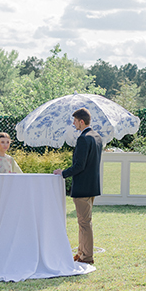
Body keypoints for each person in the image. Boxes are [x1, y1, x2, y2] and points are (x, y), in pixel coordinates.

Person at [54, 108, 103, 265]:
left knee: (84, 223)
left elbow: (79, 166)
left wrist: (62, 173)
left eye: (74, 121)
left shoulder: (83, 139)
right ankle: (81, 253)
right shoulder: (97, 137)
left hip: (82, 186)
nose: (73, 123)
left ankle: (87, 257)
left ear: (81, 121)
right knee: (84, 222)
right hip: (92, 186)